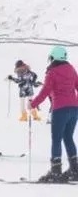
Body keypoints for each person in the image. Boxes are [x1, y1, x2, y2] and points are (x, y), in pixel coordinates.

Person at [30, 46, 78, 183]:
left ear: (53, 57)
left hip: (60, 109)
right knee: (68, 137)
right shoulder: (71, 69)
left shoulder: (52, 72)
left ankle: (56, 171)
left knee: (56, 139)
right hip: (74, 109)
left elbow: (45, 91)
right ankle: (75, 169)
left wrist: (32, 104)